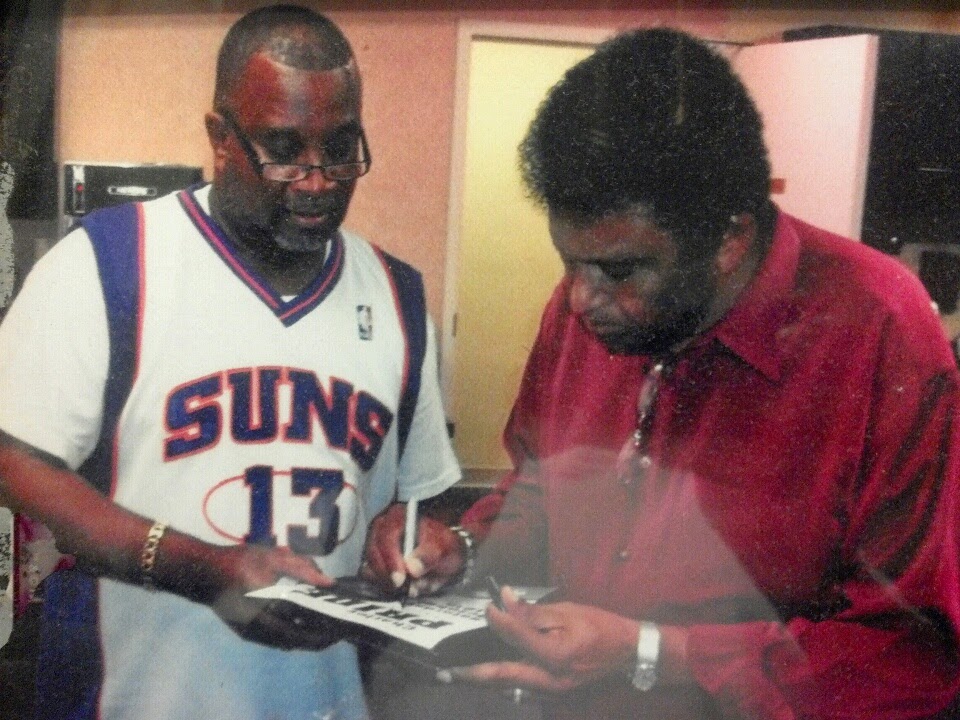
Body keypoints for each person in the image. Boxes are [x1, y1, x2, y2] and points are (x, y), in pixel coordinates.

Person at [364, 28, 960, 719]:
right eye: (568, 262)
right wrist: (465, 547)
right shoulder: (590, 308)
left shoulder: (878, 331)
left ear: (729, 238)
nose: (579, 299)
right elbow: (542, 491)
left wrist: (652, 654)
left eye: (620, 270)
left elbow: (912, 654)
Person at [0, 5, 459, 719]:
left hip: (326, 698)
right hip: (138, 694)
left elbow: (410, 497)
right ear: (220, 137)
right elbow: (14, 460)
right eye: (283, 149)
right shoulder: (109, 262)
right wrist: (199, 568)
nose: (317, 181)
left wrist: (414, 539)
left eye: (341, 148)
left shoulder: (398, 296)